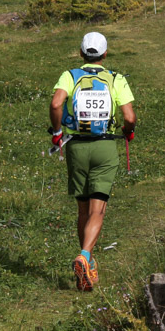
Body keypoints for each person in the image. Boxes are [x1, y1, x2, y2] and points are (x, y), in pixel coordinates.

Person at [49, 31, 136, 292]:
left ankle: (86, 267)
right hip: (105, 146)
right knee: (98, 210)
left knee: (83, 210)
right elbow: (129, 117)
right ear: (105, 54)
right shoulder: (115, 78)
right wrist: (128, 131)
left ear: (81, 53)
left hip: (76, 147)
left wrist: (56, 133)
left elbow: (56, 104)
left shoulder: (71, 75)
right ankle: (85, 256)